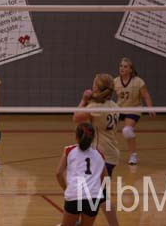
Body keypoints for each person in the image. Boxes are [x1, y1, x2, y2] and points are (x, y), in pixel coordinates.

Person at [73, 73, 119, 226]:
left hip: (101, 155)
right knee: (88, 190)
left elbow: (76, 117)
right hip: (111, 153)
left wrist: (84, 100)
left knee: (101, 196)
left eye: (94, 86)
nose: (92, 87)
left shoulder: (95, 107)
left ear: (98, 89)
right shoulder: (113, 105)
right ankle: (80, 220)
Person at [56, 122, 107, 226]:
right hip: (93, 196)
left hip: (75, 194)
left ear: (76, 137)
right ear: (93, 138)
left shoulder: (69, 150)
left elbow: (58, 173)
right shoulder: (99, 154)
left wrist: (66, 189)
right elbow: (105, 178)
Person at [114, 57, 155, 165]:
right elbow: (106, 95)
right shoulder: (115, 81)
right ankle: (108, 152)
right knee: (106, 127)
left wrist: (150, 108)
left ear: (131, 69)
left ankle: (133, 156)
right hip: (119, 109)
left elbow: (146, 96)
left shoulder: (138, 81)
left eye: (125, 66)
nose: (122, 68)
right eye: (121, 66)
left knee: (127, 131)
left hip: (133, 109)